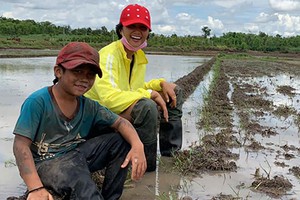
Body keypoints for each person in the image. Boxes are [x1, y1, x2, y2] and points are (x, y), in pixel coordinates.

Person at [12, 42, 146, 200]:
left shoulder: (89, 106)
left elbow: (121, 123)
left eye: (90, 75)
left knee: (120, 141)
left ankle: (111, 197)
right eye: (78, 71)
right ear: (58, 71)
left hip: (76, 155)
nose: (84, 79)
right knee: (80, 181)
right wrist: (35, 188)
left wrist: (138, 145)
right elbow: (20, 146)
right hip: (46, 162)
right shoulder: (38, 102)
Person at [85, 4, 183, 172]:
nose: (137, 31)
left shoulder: (137, 55)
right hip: (98, 115)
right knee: (147, 107)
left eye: (143, 27)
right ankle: (146, 167)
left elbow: (133, 88)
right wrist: (149, 94)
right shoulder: (109, 55)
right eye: (132, 26)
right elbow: (108, 98)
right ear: (121, 29)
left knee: (173, 91)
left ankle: (170, 154)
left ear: (148, 32)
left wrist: (159, 84)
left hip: (117, 108)